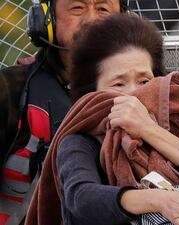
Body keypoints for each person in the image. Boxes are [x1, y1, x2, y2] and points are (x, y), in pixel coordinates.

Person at [25, 14, 179, 225]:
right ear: (92, 92)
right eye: (118, 84)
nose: (134, 94)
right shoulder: (81, 140)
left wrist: (149, 130)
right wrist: (159, 200)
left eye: (144, 81)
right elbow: (81, 199)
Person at [0, 0, 125, 224]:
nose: (91, 20)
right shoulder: (10, 88)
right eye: (77, 7)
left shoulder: (148, 91)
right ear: (46, 19)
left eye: (103, 9)